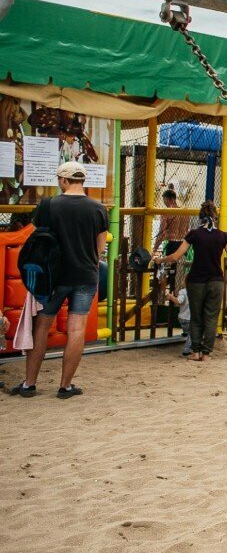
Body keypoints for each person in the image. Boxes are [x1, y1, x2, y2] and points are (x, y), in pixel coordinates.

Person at [10, 161, 108, 399]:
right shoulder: (98, 209)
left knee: (41, 327)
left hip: (52, 279)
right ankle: (65, 386)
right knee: (77, 329)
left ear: (63, 180)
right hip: (85, 276)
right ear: (82, 181)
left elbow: (38, 240)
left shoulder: (49, 205)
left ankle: (29, 384)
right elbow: (100, 248)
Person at [156, 201, 227, 362]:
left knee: (196, 316)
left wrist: (161, 260)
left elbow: (176, 256)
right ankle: (206, 353)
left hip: (196, 281)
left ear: (200, 217)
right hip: (216, 281)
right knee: (211, 317)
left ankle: (195, 352)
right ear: (215, 217)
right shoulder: (224, 236)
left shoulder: (193, 234)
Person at [151, 188, 188, 298]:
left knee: (162, 272)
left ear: (167, 199)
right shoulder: (185, 213)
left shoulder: (166, 212)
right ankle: (177, 297)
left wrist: (154, 249)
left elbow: (162, 233)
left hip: (172, 244)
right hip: (183, 245)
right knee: (179, 274)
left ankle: (163, 296)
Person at [165, 286, 193, 357]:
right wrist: (171, 296)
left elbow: (178, 301)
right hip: (190, 318)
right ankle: (186, 351)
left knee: (186, 328)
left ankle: (185, 332)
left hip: (181, 317)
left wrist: (171, 296)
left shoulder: (183, 291)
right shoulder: (197, 290)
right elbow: (178, 301)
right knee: (192, 334)